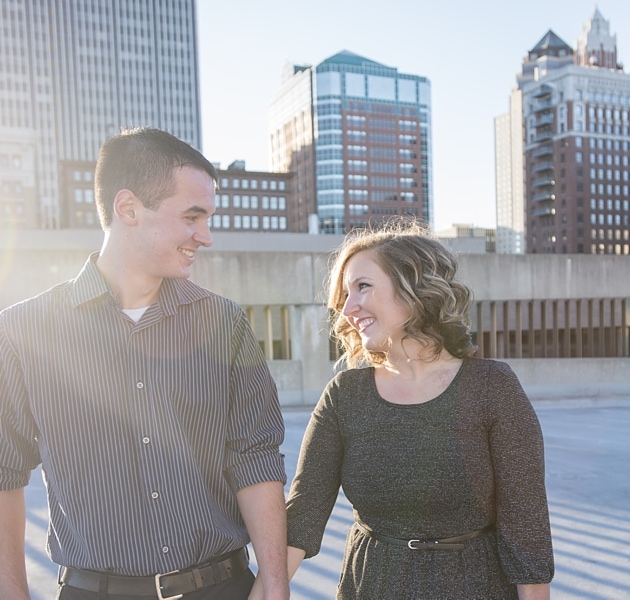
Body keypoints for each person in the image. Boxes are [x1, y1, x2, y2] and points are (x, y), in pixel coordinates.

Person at [0, 128, 289, 600]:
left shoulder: (223, 321)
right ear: (128, 208)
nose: (207, 236)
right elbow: (3, 472)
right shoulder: (20, 333)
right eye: (192, 217)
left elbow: (254, 455)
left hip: (221, 589)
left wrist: (274, 582)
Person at [285, 223, 554, 599]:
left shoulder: (492, 386)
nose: (347, 309)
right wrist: (267, 590)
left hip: (476, 586)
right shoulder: (345, 396)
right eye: (345, 294)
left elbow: (525, 523)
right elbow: (304, 512)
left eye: (362, 286)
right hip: (373, 586)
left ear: (414, 288)